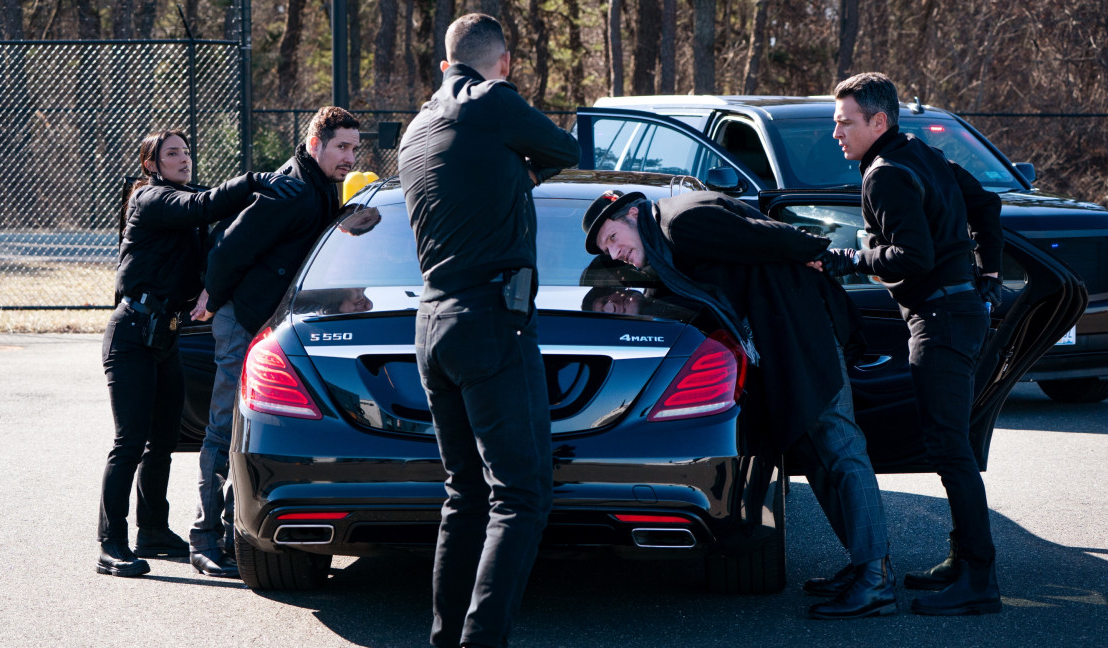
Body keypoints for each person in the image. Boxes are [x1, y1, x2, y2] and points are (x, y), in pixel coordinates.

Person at [581, 189, 896, 620]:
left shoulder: (682, 222)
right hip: (782, 335)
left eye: (613, 238)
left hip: (803, 329)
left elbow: (771, 235)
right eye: (607, 251)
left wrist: (820, 254)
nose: (615, 253)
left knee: (840, 447)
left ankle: (876, 581)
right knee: (816, 452)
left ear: (633, 214)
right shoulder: (667, 237)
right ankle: (864, 565)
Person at [396, 13, 580, 648]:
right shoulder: (490, 100)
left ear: (443, 64)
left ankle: (446, 638)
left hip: (432, 322)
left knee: (465, 497)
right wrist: (528, 169)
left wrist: (513, 173)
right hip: (492, 321)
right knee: (522, 496)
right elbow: (566, 150)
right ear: (502, 62)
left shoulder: (417, 127)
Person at [824, 72, 1004, 616]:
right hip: (960, 311)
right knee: (953, 445)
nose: (837, 133)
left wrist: (847, 258)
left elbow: (914, 257)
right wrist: (988, 274)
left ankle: (978, 579)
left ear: (878, 120)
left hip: (940, 319)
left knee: (949, 449)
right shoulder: (922, 154)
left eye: (845, 122)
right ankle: (963, 558)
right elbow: (986, 206)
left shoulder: (885, 174)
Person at [97, 130, 302, 577]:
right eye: (172, 153)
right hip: (131, 335)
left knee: (162, 442)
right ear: (151, 164)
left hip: (166, 337)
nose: (183, 158)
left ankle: (153, 530)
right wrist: (254, 180)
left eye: (187, 151)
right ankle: (110, 543)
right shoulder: (150, 199)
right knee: (129, 442)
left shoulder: (185, 204)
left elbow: (218, 226)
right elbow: (203, 205)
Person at [189, 106, 361, 578]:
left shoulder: (320, 186)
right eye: (341, 147)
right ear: (315, 144)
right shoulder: (291, 188)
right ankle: (204, 538)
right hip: (241, 321)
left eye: (354, 147)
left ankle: (233, 532)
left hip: (271, 327)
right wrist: (212, 296)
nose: (349, 157)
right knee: (225, 430)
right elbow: (230, 245)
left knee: (250, 432)